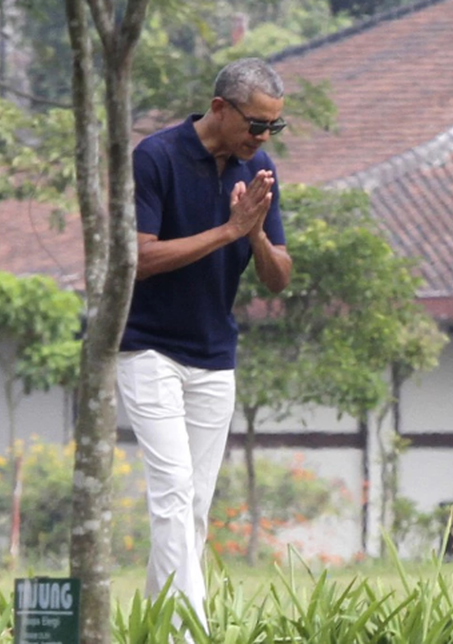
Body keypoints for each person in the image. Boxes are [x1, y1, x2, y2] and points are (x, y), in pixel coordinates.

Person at [116, 57, 293, 629]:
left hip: (215, 356)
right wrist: (227, 231)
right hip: (148, 349)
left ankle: (157, 628)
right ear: (220, 108)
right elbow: (139, 259)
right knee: (170, 496)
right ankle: (191, 634)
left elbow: (279, 277)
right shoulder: (157, 157)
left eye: (273, 127)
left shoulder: (259, 168)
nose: (262, 137)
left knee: (191, 509)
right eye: (256, 124)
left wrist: (258, 233)